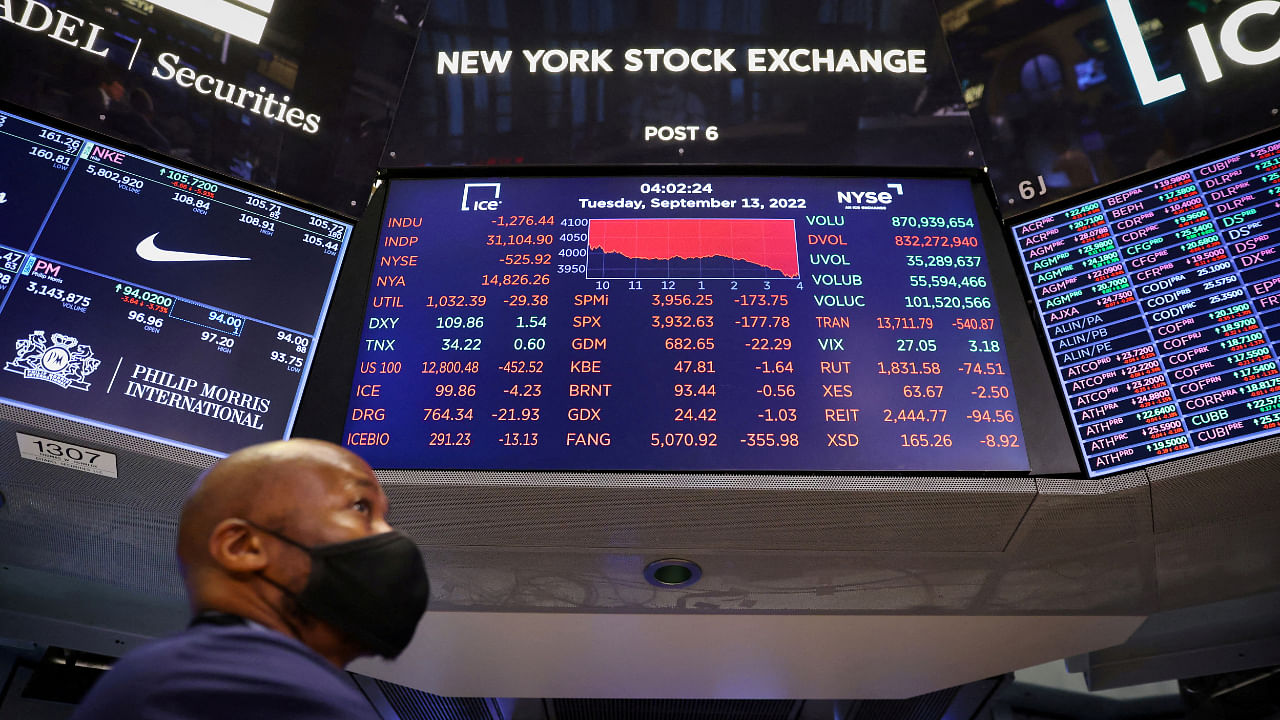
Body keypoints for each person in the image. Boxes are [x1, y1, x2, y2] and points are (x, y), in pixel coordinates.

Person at [72, 439, 430, 719]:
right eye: (360, 507)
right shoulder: (224, 686)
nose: (390, 535)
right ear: (243, 547)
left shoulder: (183, 678)